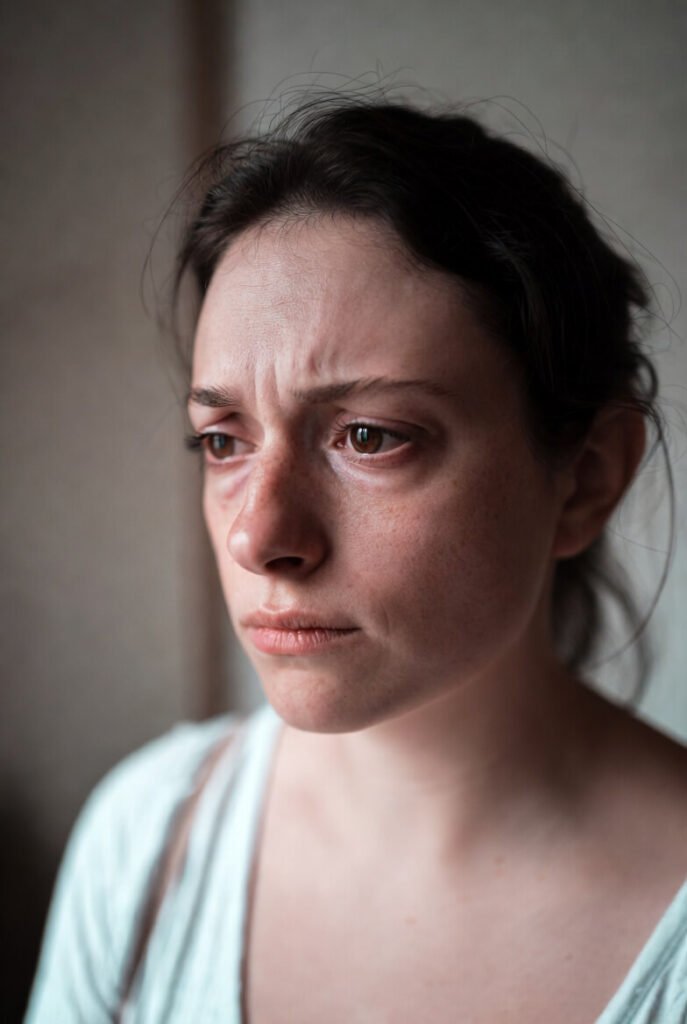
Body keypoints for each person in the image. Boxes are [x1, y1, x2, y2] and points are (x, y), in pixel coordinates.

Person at [26, 94, 686, 1023]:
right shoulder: (147, 843)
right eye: (224, 440)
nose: (260, 537)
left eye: (369, 436)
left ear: (582, 479)